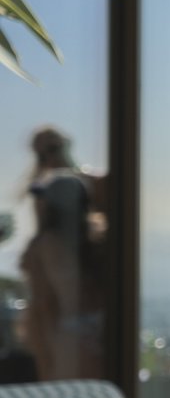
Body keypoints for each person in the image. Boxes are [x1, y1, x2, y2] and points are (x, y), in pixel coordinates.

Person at [17, 126, 105, 381]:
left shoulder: (91, 184)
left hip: (78, 314)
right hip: (63, 311)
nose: (48, 157)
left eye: (52, 149)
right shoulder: (45, 190)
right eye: (41, 153)